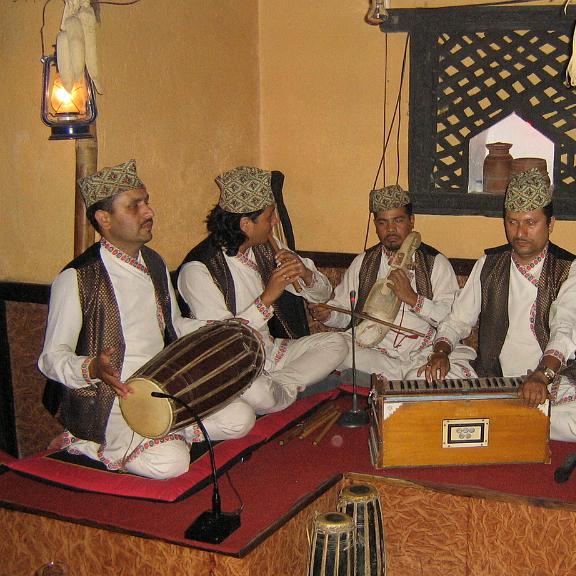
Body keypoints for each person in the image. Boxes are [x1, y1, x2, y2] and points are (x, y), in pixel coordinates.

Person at [38, 159, 256, 480]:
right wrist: (92, 368)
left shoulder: (153, 262)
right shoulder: (78, 279)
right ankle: (84, 443)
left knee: (240, 418)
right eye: (135, 206)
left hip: (163, 385)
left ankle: (162, 433)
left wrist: (222, 330)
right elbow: (50, 359)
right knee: (171, 463)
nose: (149, 212)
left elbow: (173, 325)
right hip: (113, 398)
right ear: (104, 218)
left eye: (147, 201)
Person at [422, 168, 576, 443]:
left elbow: (564, 329)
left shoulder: (571, 270)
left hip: (548, 379)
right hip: (491, 378)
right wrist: (440, 351)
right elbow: (457, 321)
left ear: (551, 223)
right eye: (512, 222)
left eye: (530, 222)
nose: (520, 232)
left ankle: (490, 423)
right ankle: (511, 422)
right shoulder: (489, 265)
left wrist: (542, 376)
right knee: (426, 381)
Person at [178, 166, 347, 414]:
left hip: (272, 351)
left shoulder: (265, 246)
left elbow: (323, 295)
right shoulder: (199, 270)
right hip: (235, 364)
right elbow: (225, 341)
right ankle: (287, 390)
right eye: (270, 217)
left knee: (337, 343)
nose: (275, 222)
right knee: (260, 394)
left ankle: (284, 388)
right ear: (246, 224)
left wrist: (306, 274)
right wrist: (267, 297)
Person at [308, 184, 476, 381]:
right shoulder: (364, 263)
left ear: (411, 221)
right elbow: (345, 313)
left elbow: (452, 320)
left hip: (424, 351)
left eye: (398, 220)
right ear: (375, 225)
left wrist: (414, 300)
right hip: (377, 351)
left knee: (427, 376)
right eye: (383, 223)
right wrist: (328, 314)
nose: (391, 229)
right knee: (334, 347)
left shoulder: (436, 263)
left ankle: (405, 380)